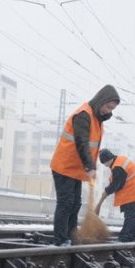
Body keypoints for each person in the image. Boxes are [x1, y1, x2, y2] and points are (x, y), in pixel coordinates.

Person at [49, 85, 120, 246]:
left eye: (112, 109)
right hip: (64, 166)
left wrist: (88, 166)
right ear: (101, 101)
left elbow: (91, 146)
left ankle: (71, 236)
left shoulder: (97, 119)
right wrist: (90, 166)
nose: (109, 111)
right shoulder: (84, 115)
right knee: (66, 202)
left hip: (76, 169)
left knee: (75, 203)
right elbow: (82, 142)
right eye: (108, 107)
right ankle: (60, 240)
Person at [95, 149, 135, 242]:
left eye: (105, 163)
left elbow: (117, 184)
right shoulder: (120, 161)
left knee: (130, 217)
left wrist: (106, 191)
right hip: (134, 192)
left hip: (134, 193)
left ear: (108, 159)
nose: (105, 166)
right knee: (131, 217)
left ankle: (125, 238)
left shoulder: (118, 167)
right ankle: (126, 236)